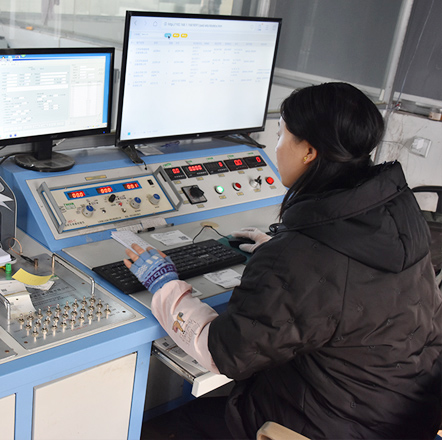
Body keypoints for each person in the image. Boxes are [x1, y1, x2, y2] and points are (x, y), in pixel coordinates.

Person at [126, 82, 442, 439]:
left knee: (174, 424)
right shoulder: (397, 210)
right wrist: (278, 253)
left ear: (308, 151)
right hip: (407, 414)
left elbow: (226, 353)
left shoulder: (300, 255)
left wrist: (165, 285)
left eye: (280, 134)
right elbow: (346, 284)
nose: (276, 146)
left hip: (332, 426)